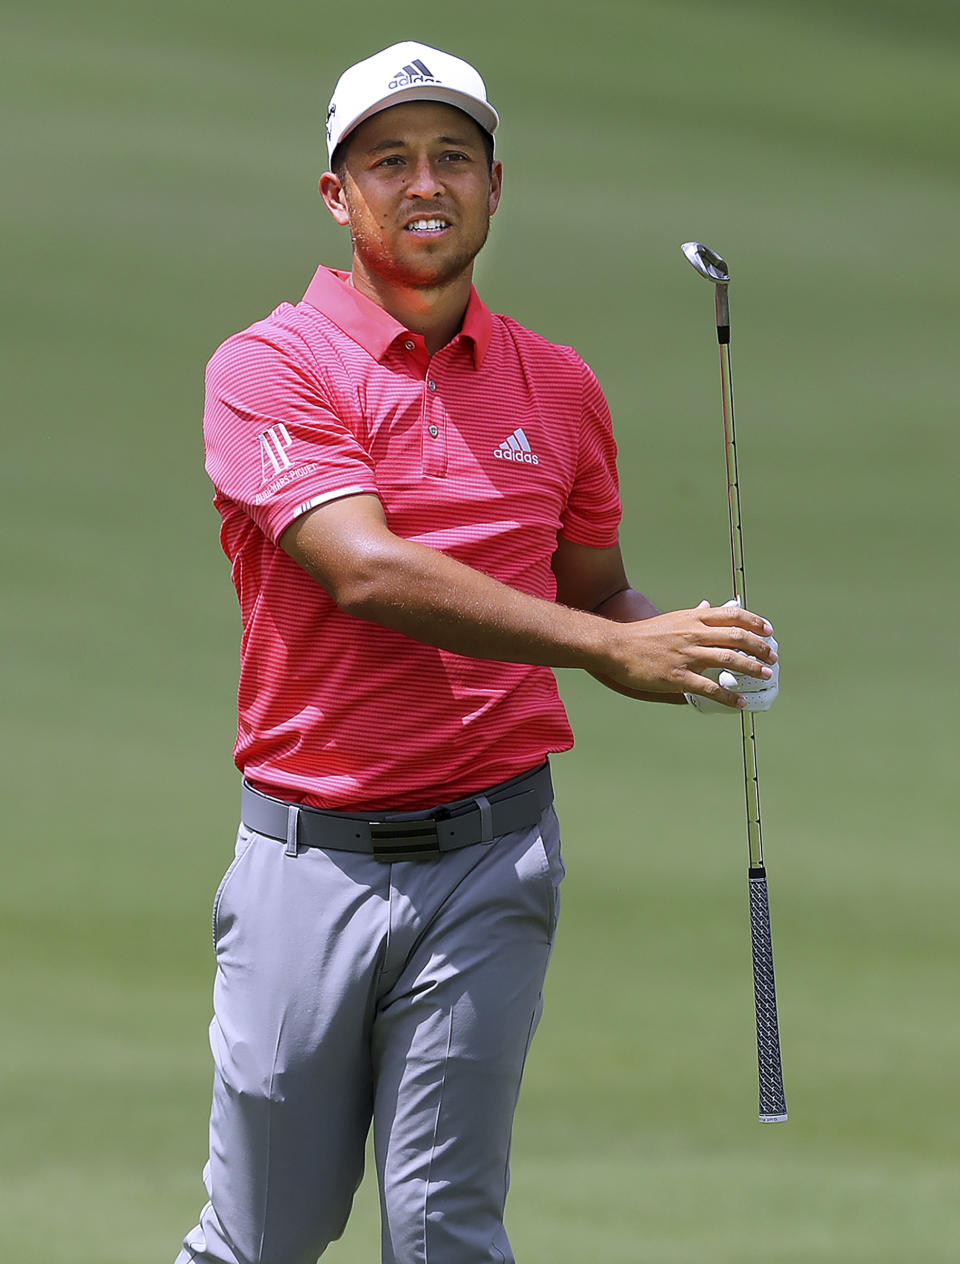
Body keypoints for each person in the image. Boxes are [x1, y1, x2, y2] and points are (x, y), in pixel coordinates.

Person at [175, 41, 779, 1264]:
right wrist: (604, 653)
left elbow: (597, 595)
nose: (424, 181)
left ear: (497, 186)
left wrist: (684, 646)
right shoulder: (270, 365)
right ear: (338, 195)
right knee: (264, 1239)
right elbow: (363, 568)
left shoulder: (558, 386)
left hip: (491, 860)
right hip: (311, 859)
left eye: (453, 155)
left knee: (450, 1233)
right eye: (387, 160)